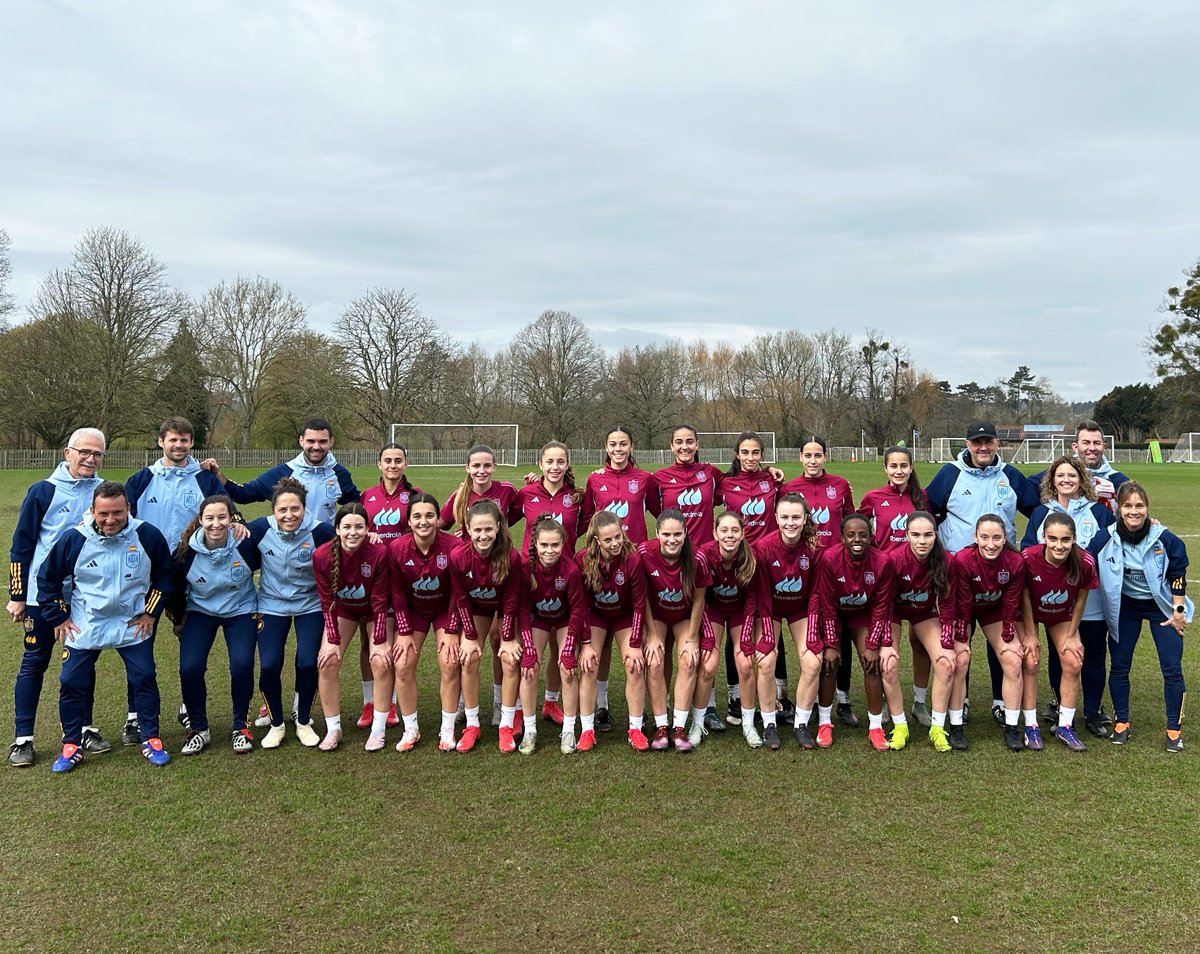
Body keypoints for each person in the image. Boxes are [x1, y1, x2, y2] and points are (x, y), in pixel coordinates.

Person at [36, 481, 174, 772]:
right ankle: (71, 744)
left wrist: (150, 612)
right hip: (87, 624)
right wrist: (59, 617)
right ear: (92, 511)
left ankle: (151, 739)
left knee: (145, 677)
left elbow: (165, 576)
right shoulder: (74, 539)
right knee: (71, 682)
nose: (110, 520)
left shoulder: (147, 535)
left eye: (117, 513)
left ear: (128, 509)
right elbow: (47, 580)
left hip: (131, 624)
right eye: (103, 514)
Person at [127, 415, 243, 744]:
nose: (179, 445)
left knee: (187, 638)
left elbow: (228, 511)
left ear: (192, 443)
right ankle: (134, 714)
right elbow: (123, 522)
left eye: (185, 440)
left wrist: (238, 522)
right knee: (138, 640)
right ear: (160, 442)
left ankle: (187, 704)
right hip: (146, 572)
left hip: (190, 571)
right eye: (172, 439)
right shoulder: (141, 479)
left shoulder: (203, 478)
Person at [926, 420, 1039, 727]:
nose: (983, 447)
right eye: (977, 442)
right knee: (962, 638)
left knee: (1001, 640)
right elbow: (927, 509)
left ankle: (1000, 701)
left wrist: (1028, 547)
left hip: (1000, 573)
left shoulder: (1011, 475)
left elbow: (1037, 509)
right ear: (967, 444)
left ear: (997, 443)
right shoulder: (950, 474)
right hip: (959, 571)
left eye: (988, 441)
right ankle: (958, 703)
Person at [8, 428, 108, 767]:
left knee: (83, 662)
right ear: (68, 452)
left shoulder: (105, 491)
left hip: (85, 596)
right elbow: (21, 545)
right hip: (42, 595)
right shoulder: (43, 491)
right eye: (85, 452)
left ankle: (83, 728)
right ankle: (23, 738)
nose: (90, 459)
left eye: (97, 454)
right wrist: (18, 595)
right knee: (35, 661)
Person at [1021, 455, 1114, 735]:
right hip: (1054, 601)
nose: (1066, 480)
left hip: (1090, 599)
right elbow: (1028, 552)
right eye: (1060, 475)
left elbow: (1113, 543)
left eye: (1072, 475)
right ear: (1052, 480)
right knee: (1059, 653)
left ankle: (1094, 713)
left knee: (1095, 654)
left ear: (1082, 479)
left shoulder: (1098, 512)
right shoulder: (1041, 513)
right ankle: (1062, 708)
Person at [1097, 481, 1192, 752]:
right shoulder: (1107, 535)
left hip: (1160, 607)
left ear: (1147, 508)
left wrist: (1178, 611)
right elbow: (1085, 560)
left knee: (1172, 668)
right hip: (1125, 607)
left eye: (1139, 505)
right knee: (1119, 665)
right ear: (1119, 508)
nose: (1134, 511)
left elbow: (1178, 574)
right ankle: (1121, 723)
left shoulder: (1165, 537)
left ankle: (1174, 729)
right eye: (1127, 505)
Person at [245, 477, 334, 749]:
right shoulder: (260, 529)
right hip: (271, 604)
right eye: (282, 510)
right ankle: (276, 724)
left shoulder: (321, 532)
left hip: (309, 605)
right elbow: (234, 545)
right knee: (270, 664)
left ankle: (303, 720)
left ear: (305, 509)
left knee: (308, 662)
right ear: (273, 511)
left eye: (295, 509)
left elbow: (348, 549)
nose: (289, 515)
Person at [169, 496, 261, 755]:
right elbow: (173, 587)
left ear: (232, 518)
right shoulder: (186, 552)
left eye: (222, 517)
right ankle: (198, 729)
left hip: (241, 610)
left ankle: (240, 726)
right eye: (209, 518)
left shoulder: (245, 543)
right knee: (190, 668)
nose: (216, 524)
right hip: (200, 612)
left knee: (242, 664)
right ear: (200, 520)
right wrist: (178, 619)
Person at [440, 444, 522, 730]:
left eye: (487, 465)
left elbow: (533, 506)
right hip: (471, 576)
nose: (481, 471)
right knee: (468, 645)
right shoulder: (459, 496)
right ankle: (464, 702)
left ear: (495, 466)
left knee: (501, 640)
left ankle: (501, 702)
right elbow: (438, 523)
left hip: (500, 570)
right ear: (467, 468)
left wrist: (538, 482)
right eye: (476, 466)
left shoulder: (508, 491)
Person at [578, 424, 653, 732]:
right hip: (601, 565)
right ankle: (602, 706)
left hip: (633, 563)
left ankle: (642, 712)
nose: (618, 449)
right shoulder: (595, 478)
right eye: (613, 444)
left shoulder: (645, 479)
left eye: (624, 443)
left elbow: (661, 514)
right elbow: (584, 518)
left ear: (632, 446)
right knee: (601, 644)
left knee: (640, 640)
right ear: (606, 448)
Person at [782, 436, 857, 727]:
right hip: (804, 568)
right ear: (800, 456)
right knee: (811, 632)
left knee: (842, 631)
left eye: (818, 455)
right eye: (808, 455)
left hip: (837, 567)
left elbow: (850, 524)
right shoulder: (789, 488)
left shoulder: (840, 485)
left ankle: (843, 698)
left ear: (825, 457)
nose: (813, 461)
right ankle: (809, 700)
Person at [810, 514, 900, 751]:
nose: (857, 539)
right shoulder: (829, 558)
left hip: (862, 615)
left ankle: (875, 727)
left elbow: (882, 605)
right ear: (842, 538)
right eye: (851, 535)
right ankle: (824, 723)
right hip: (836, 615)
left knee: (872, 663)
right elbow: (827, 605)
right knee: (829, 663)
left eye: (863, 534)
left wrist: (872, 645)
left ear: (871, 536)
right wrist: (830, 643)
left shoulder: (883, 561)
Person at [858, 445, 934, 728]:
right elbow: (858, 528)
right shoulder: (873, 497)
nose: (899, 471)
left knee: (921, 645)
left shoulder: (922, 498)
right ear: (885, 469)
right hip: (887, 582)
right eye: (893, 466)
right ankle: (890, 705)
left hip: (920, 578)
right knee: (887, 648)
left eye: (904, 466)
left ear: (911, 467)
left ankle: (919, 702)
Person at [514, 441, 586, 726]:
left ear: (567, 464)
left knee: (561, 647)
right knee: (527, 648)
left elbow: (586, 529)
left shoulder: (577, 498)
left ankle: (551, 702)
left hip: (566, 578)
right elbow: (496, 521)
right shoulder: (525, 493)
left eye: (560, 462)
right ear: (540, 464)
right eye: (550, 462)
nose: (555, 467)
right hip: (530, 579)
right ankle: (520, 710)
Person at [714, 431, 783, 732]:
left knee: (770, 624)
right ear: (737, 454)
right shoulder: (725, 485)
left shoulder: (772, 482)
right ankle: (734, 696)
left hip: (766, 562)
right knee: (736, 628)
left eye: (756, 452)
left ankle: (779, 695)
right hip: (737, 561)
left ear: (762, 454)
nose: (751, 458)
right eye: (745, 452)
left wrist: (773, 473)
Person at [312, 503, 392, 751]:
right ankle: (333, 728)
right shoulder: (322, 555)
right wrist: (332, 640)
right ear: (337, 529)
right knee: (327, 660)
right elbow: (327, 602)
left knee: (380, 660)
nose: (352, 532)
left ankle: (378, 729)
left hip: (374, 610)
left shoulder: (379, 552)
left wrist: (380, 640)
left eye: (359, 526)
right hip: (343, 609)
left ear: (368, 529)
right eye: (346, 527)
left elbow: (380, 600)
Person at [448, 499, 524, 753]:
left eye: (488, 529)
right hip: (476, 608)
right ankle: (472, 724)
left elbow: (511, 600)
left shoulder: (510, 556)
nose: (483, 535)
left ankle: (505, 723)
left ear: (499, 527)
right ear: (468, 530)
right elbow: (461, 598)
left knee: (509, 658)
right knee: (468, 658)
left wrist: (508, 637)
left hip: (504, 607)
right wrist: (469, 636)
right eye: (477, 530)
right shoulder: (458, 556)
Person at [953, 514, 1033, 751]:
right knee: (960, 658)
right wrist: (961, 638)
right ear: (975, 537)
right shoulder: (963, 559)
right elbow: (964, 602)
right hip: (964, 611)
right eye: (985, 537)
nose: (991, 544)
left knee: (1012, 660)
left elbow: (1011, 602)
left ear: (1005, 537)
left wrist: (1008, 634)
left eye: (997, 537)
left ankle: (1011, 726)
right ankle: (956, 725)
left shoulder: (1015, 561)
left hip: (995, 610)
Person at [388, 493, 460, 753]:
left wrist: (451, 629)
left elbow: (457, 593)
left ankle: (448, 728)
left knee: (450, 663)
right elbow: (396, 593)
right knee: (403, 664)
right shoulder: (397, 548)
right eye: (417, 516)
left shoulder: (452, 546)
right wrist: (404, 631)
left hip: (444, 610)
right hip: (415, 611)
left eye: (429, 515)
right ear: (408, 520)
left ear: (438, 518)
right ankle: (411, 729)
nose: (423, 521)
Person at [1020, 513, 1099, 751]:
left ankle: (1065, 726)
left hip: (1061, 616)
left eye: (1065, 539)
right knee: (1031, 661)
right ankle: (1031, 725)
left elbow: (1081, 599)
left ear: (1074, 539)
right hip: (1028, 614)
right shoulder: (1028, 558)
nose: (1058, 545)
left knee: (1073, 661)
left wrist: (1072, 634)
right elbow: (1023, 596)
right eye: (1052, 539)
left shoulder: (1084, 561)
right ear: (1043, 537)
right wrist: (1031, 634)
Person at [700, 512, 776, 749]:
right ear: (715, 533)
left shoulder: (748, 557)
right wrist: (707, 635)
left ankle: (748, 723)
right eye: (724, 530)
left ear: (743, 533)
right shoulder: (704, 555)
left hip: (739, 613)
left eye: (735, 530)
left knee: (744, 663)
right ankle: (697, 722)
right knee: (708, 663)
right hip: (711, 611)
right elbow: (699, 599)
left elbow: (752, 597)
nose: (729, 535)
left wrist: (744, 639)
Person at [639, 509, 713, 752]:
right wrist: (650, 634)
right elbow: (643, 598)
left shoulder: (697, 559)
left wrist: (692, 638)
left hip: (683, 616)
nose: (672, 540)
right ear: (657, 533)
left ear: (686, 534)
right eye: (667, 534)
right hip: (656, 616)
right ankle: (661, 725)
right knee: (655, 659)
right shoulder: (644, 553)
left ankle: (679, 727)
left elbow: (700, 600)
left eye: (678, 534)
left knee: (689, 660)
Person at [889, 512, 963, 752]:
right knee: (888, 663)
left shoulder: (946, 561)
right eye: (916, 535)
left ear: (935, 535)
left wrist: (947, 642)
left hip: (924, 613)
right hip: (894, 613)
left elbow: (948, 602)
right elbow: (883, 603)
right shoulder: (893, 560)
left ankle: (936, 728)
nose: (922, 541)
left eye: (928, 535)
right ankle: (900, 726)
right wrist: (884, 640)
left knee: (946, 663)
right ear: (906, 535)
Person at [753, 493, 821, 748]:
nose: (790, 523)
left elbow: (815, 593)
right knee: (767, 660)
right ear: (776, 519)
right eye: (785, 517)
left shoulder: (814, 547)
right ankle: (769, 723)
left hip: (800, 610)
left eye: (796, 517)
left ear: (805, 519)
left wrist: (813, 633)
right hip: (771, 609)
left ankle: (801, 723)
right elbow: (762, 594)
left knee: (813, 661)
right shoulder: (763, 547)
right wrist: (769, 636)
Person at [576, 511, 649, 750]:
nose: (615, 543)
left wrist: (636, 643)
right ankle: (587, 730)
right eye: (608, 540)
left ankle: (635, 728)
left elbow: (639, 605)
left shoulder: (632, 559)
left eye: (618, 536)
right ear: (596, 540)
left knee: (634, 665)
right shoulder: (583, 559)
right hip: (596, 615)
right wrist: (586, 644)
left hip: (624, 616)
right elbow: (582, 605)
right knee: (588, 665)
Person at [519, 517, 592, 754]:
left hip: (564, 619)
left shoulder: (570, 570)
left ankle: (569, 730)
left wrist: (570, 648)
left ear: (563, 545)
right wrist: (529, 648)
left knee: (567, 669)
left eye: (555, 545)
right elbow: (521, 608)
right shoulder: (526, 568)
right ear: (536, 545)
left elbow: (578, 610)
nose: (549, 551)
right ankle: (530, 730)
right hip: (538, 618)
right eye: (544, 545)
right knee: (529, 668)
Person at [217, 417, 360, 525]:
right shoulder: (282, 473)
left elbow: (357, 502)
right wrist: (219, 477)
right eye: (311, 441)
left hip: (326, 550)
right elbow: (244, 494)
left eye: (322, 441)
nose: (316, 447)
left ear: (331, 441)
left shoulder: (339, 474)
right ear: (301, 441)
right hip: (291, 550)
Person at [1030, 420, 1129, 515]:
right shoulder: (1055, 474)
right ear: (1075, 447)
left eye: (1097, 443)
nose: (1092, 448)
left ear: (1104, 446)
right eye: (1086, 443)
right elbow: (1025, 493)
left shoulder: (1118, 480)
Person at [361, 443, 422, 541]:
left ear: (406, 463)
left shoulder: (416, 494)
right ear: (380, 464)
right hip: (375, 555)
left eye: (398, 461)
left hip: (404, 555)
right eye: (387, 461)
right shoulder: (367, 495)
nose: (393, 466)